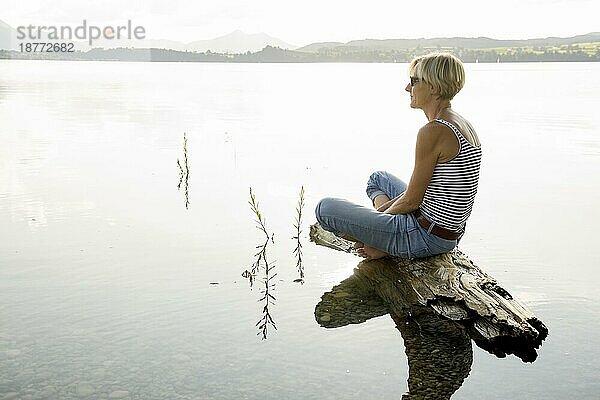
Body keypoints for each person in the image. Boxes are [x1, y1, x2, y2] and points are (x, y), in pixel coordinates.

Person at [315, 52, 482, 259]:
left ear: (433, 86)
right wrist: (376, 221)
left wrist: (372, 231)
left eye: (414, 81)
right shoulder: (460, 123)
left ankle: (382, 245)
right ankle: (383, 239)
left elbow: (412, 201)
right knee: (378, 179)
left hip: (425, 237)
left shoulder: (434, 131)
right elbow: (417, 195)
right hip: (445, 232)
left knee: (324, 209)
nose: (407, 88)